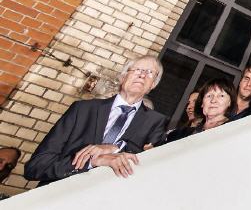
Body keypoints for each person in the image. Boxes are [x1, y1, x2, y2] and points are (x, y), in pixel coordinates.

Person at [25, 55, 168, 184]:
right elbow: (35, 167)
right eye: (137, 70)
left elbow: (149, 163)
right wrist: (92, 162)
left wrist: (116, 147)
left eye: (149, 73)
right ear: (123, 77)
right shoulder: (82, 109)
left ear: (153, 85)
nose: (142, 75)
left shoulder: (156, 122)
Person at [165, 78, 235, 143]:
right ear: (202, 103)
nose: (213, 100)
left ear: (230, 102)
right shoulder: (181, 134)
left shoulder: (233, 131)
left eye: (221, 96)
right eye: (209, 96)